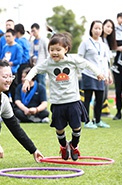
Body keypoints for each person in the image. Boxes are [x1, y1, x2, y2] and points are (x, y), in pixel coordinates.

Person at [22, 33, 105, 161]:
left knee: (76, 127)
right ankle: (63, 146)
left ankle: (74, 145)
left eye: (58, 50)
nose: (54, 52)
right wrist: (27, 79)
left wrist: (98, 73)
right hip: (57, 102)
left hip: (72, 101)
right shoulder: (48, 63)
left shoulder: (72, 60)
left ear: (66, 49)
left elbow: (87, 64)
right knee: (59, 128)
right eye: (52, 50)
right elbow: (36, 69)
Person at [78, 20, 113, 129]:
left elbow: (105, 60)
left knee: (100, 98)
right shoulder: (86, 42)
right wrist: (82, 71)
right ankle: (87, 121)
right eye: (96, 28)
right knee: (87, 99)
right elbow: (80, 58)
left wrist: (107, 75)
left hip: (101, 76)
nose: (98, 31)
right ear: (91, 29)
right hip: (88, 74)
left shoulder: (103, 44)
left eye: (100, 28)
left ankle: (98, 120)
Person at [0, 28, 23, 103]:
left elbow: (19, 60)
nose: (7, 38)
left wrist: (9, 63)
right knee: (4, 92)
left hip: (13, 72)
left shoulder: (18, 47)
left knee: (14, 92)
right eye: (6, 36)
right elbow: (1, 58)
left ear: (14, 36)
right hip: (4, 73)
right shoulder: (5, 47)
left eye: (9, 36)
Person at [101, 19, 117, 116]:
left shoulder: (107, 41)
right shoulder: (99, 40)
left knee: (104, 94)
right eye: (107, 26)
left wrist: (109, 73)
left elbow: (107, 60)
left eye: (111, 27)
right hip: (99, 72)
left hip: (106, 70)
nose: (109, 29)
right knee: (100, 95)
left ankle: (98, 117)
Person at [30, 23, 49, 87]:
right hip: (35, 66)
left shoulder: (44, 40)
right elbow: (30, 53)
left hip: (42, 65)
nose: (33, 33)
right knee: (36, 84)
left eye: (34, 31)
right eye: (32, 31)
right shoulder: (32, 42)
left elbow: (48, 53)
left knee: (41, 83)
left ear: (38, 30)